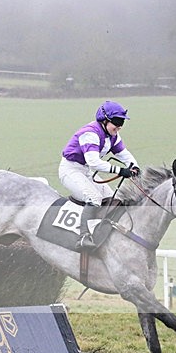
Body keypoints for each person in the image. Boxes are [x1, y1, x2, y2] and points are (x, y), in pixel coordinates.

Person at [59, 100, 139, 250]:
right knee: (94, 198)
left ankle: (104, 233)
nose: (119, 127)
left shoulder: (113, 135)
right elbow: (94, 162)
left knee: (113, 200)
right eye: (116, 123)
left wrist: (134, 167)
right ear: (104, 120)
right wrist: (121, 171)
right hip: (70, 170)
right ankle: (83, 237)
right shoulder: (90, 133)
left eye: (121, 123)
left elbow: (124, 154)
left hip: (85, 171)